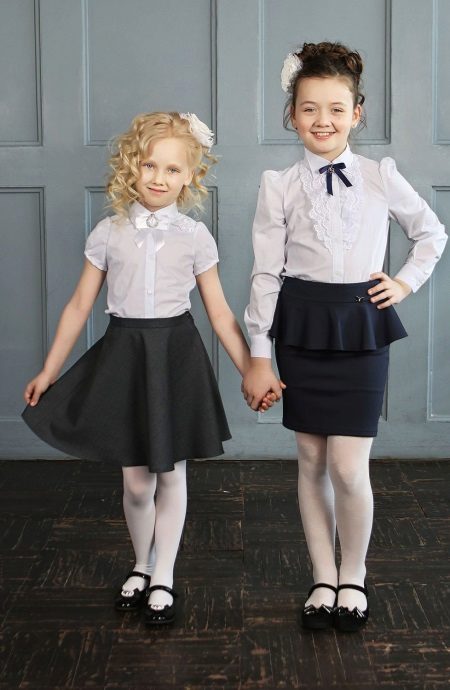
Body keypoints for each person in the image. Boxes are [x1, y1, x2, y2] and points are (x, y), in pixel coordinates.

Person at [22, 111, 279, 626]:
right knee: (137, 482)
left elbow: (220, 314)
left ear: (190, 177)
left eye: (172, 169)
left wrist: (251, 368)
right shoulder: (108, 232)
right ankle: (141, 563)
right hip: (125, 356)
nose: (159, 178)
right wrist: (49, 370)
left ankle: (164, 573)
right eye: (149, 165)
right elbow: (78, 306)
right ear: (131, 167)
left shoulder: (195, 236)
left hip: (174, 356)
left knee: (171, 471)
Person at [242, 42, 447, 632]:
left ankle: (352, 574)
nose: (322, 121)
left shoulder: (381, 176)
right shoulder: (279, 184)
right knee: (311, 458)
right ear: (292, 115)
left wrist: (403, 283)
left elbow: (431, 234)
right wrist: (259, 354)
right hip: (302, 325)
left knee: (349, 466)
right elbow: (265, 274)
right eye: (309, 109)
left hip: (360, 325)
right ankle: (322, 576)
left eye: (336, 109)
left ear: (357, 113)